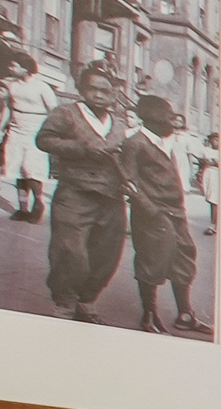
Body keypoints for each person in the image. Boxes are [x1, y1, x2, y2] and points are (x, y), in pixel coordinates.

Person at [40, 72, 130, 320]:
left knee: (107, 254)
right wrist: (81, 148)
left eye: (106, 91)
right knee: (71, 251)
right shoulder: (66, 113)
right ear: (81, 89)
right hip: (75, 192)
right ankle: (65, 302)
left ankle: (87, 301)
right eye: (93, 89)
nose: (99, 95)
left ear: (114, 94)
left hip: (111, 195)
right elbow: (44, 140)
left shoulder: (119, 121)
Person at [121, 95, 201, 336]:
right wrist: (151, 210)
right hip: (153, 214)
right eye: (167, 114)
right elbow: (128, 183)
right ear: (152, 117)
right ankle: (149, 315)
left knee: (184, 256)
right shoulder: (135, 143)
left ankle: (185, 314)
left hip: (176, 211)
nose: (173, 119)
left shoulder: (168, 141)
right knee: (152, 261)